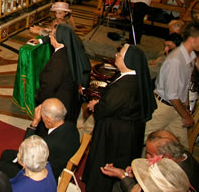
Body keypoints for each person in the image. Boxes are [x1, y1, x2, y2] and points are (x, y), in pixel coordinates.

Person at [83, 44, 157, 192]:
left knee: (107, 162)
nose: (116, 55)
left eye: (120, 54)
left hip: (116, 134)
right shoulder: (130, 77)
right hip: (126, 128)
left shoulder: (126, 86)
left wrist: (95, 106)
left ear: (128, 61)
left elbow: (107, 108)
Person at [0, 98, 80, 180]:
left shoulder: (48, 144)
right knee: (6, 154)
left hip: (38, 173)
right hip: (54, 162)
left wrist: (35, 122)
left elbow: (24, 152)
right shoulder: (71, 126)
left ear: (48, 120)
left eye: (42, 117)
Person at [144, 22, 199, 148]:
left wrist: (185, 108)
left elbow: (184, 85)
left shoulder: (189, 56)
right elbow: (172, 95)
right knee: (140, 139)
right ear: (193, 39)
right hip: (163, 107)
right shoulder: (176, 60)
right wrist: (186, 116)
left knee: (180, 147)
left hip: (176, 108)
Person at [101, 130, 199, 192]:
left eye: (150, 154)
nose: (146, 157)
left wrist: (122, 175)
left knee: (118, 186)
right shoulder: (182, 154)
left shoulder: (175, 178)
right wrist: (138, 173)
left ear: (166, 156)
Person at [30, 24, 90, 122]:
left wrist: (38, 97)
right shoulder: (70, 51)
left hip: (58, 106)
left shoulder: (58, 61)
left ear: (59, 39)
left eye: (52, 35)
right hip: (71, 100)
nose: (49, 36)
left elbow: (49, 87)